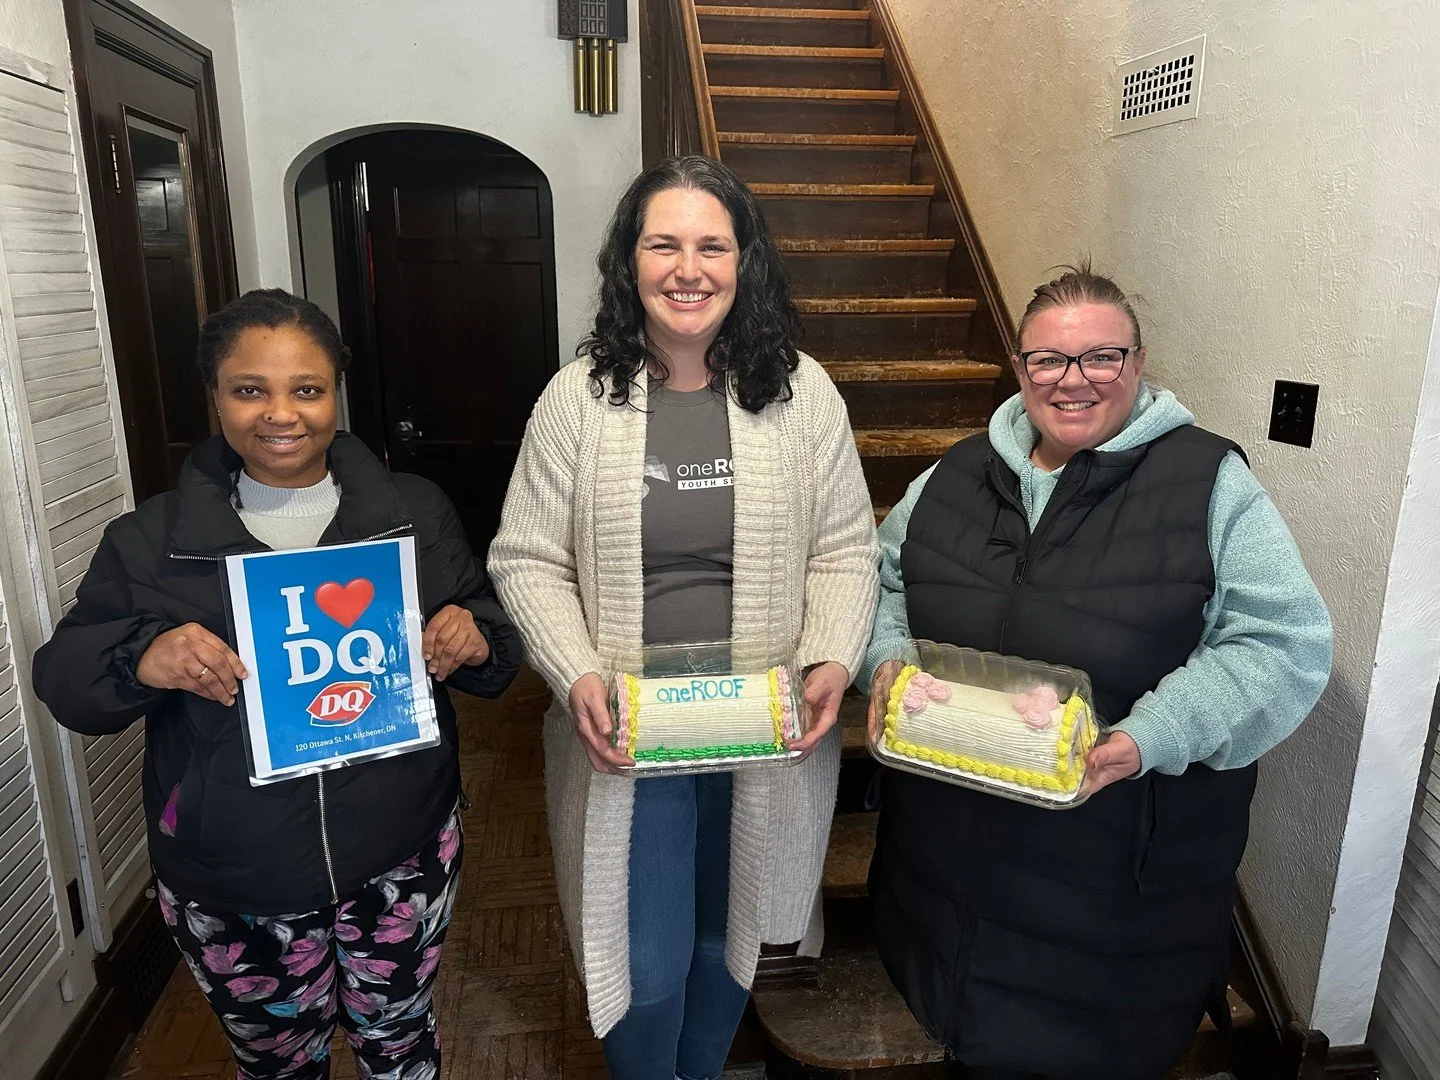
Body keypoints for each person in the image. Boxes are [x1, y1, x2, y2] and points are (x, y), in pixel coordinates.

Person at [32, 289, 521, 1080]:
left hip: (400, 849)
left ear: (337, 394)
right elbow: (63, 677)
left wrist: (470, 633)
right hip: (234, 873)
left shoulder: (411, 511)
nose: (280, 414)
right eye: (249, 389)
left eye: (307, 389)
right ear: (215, 397)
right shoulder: (151, 541)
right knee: (277, 1065)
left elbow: (494, 632)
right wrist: (141, 655)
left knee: (400, 1043)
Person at [859, 264, 1332, 1080]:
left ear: (1139, 364)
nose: (1073, 381)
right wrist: (888, 665)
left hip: (1113, 895)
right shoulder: (954, 474)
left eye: (1101, 357)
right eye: (1049, 360)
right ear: (1020, 371)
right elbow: (878, 579)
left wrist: (1149, 736)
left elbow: (1282, 645)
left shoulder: (1210, 483)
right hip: (942, 867)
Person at [488, 155, 879, 1080]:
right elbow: (526, 557)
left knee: (729, 939)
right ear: (630, 261)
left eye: (713, 244)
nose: (687, 267)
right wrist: (578, 671)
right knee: (644, 965)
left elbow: (846, 549)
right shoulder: (577, 400)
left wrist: (831, 654)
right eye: (663, 243)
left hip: (764, 732)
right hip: (628, 736)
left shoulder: (804, 394)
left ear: (746, 264)